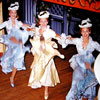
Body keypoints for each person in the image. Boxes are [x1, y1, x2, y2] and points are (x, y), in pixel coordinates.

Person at [59, 18, 100, 100]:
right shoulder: (77, 41)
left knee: (89, 80)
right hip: (80, 63)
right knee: (76, 79)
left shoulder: (93, 44)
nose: (85, 33)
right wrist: (65, 38)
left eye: (87, 31)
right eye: (83, 31)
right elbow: (65, 41)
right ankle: (73, 96)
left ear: (90, 32)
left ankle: (87, 94)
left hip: (88, 64)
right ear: (81, 32)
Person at [28, 11, 64, 100]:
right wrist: (27, 28)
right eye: (41, 21)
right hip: (38, 54)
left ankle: (46, 90)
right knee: (37, 68)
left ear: (47, 22)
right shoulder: (37, 29)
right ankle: (37, 81)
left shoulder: (50, 31)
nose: (43, 23)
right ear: (39, 22)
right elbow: (31, 30)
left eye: (45, 21)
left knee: (47, 71)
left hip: (47, 55)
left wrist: (64, 39)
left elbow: (58, 37)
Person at [0, 2, 31, 88]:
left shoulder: (18, 22)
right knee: (9, 61)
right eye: (12, 12)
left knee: (18, 60)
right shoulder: (6, 23)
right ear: (9, 13)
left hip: (18, 44)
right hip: (10, 45)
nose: (13, 14)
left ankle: (12, 77)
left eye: (15, 12)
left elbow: (25, 25)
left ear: (16, 13)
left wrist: (31, 28)